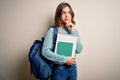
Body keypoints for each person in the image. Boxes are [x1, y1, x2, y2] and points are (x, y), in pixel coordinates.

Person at [42, 2, 83, 80]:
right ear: (59, 15)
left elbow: (79, 50)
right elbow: (45, 51)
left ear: (71, 15)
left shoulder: (74, 31)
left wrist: (73, 31)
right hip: (59, 69)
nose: (67, 15)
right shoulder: (52, 31)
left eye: (69, 13)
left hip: (73, 68)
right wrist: (65, 60)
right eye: (63, 13)